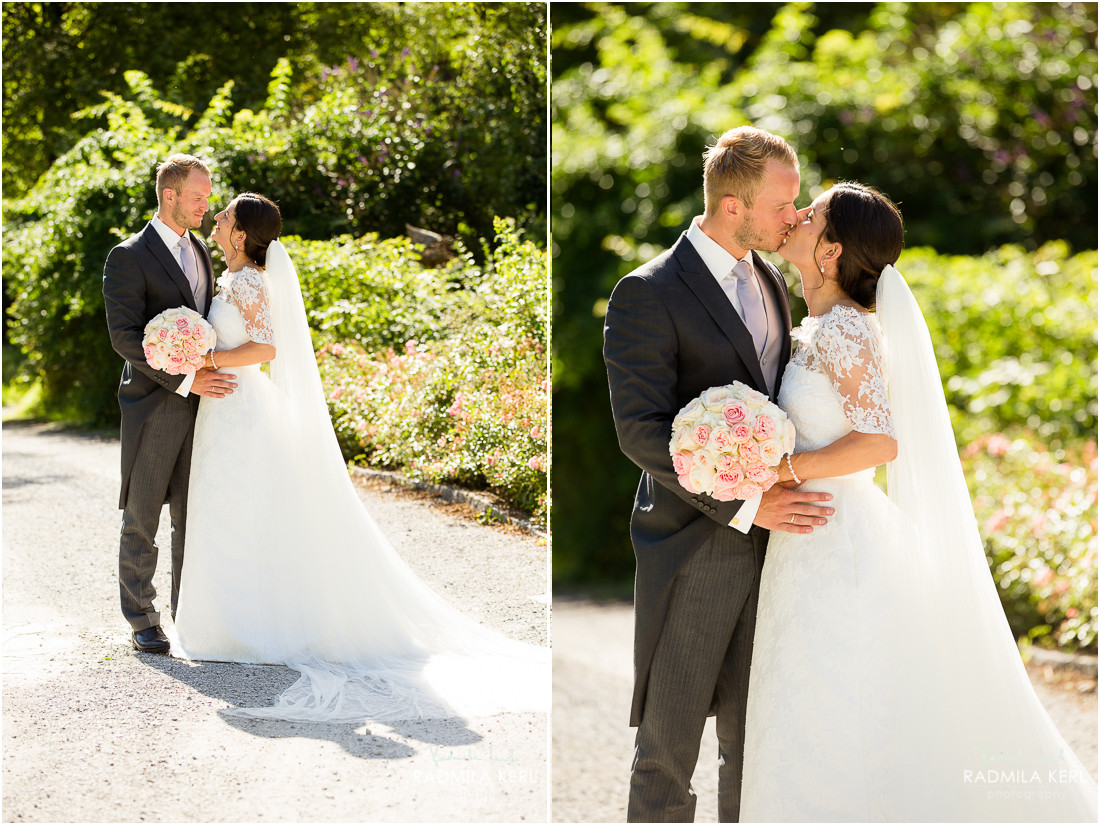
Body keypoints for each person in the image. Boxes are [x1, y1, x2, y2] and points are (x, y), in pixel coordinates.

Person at [739, 182, 1098, 820]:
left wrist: (788, 467)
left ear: (831, 250)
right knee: (806, 704)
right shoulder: (820, 324)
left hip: (836, 542)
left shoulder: (845, 327)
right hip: (809, 541)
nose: (796, 215)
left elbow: (880, 442)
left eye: (812, 212)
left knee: (833, 705)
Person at [172, 193, 548, 723]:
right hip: (221, 410)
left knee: (246, 511)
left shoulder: (253, 281)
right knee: (223, 511)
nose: (216, 218)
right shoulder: (226, 278)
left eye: (225, 214)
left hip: (245, 409)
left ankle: (252, 626)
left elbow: (265, 347)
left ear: (239, 234)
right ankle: (220, 623)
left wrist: (205, 356)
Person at [602, 126, 834, 822]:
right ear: (734, 205)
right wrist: (744, 505)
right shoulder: (648, 291)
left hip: (776, 554)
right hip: (692, 543)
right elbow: (641, 431)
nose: (794, 217)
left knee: (750, 739)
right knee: (668, 747)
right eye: (782, 204)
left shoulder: (771, 282)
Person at [103, 154, 237, 655]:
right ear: (170, 196)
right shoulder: (128, 256)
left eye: (206, 197)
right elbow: (124, 337)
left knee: (191, 514)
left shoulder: (202, 251)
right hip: (155, 402)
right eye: (199, 197)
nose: (207, 205)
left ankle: (189, 613)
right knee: (142, 513)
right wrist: (184, 380)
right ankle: (142, 618)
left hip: (207, 409)